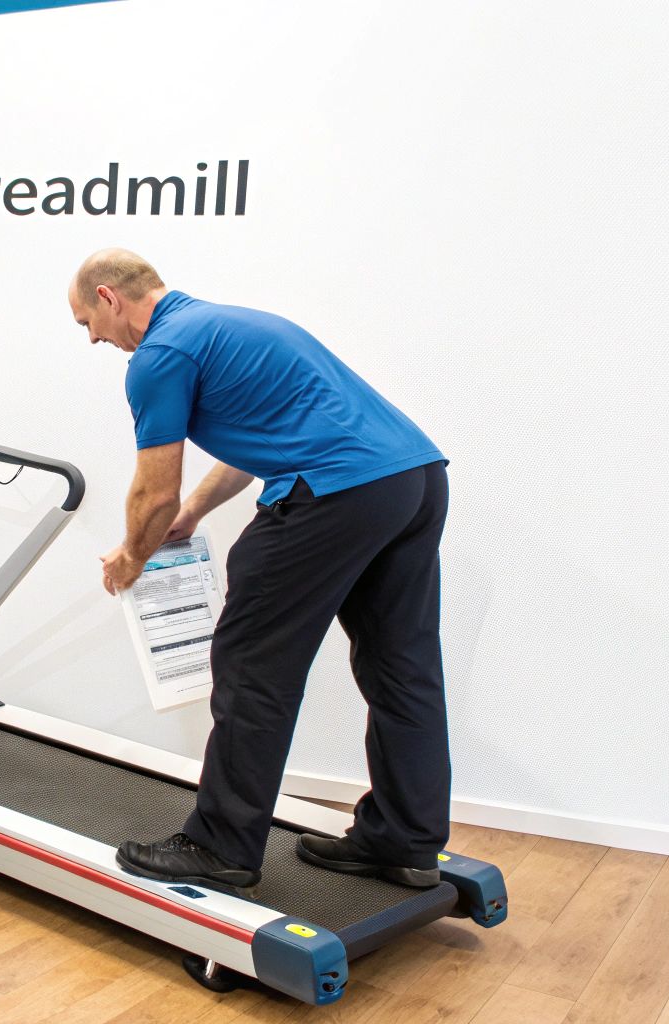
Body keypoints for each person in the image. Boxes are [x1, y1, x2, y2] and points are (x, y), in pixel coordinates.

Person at [71, 248, 451, 895]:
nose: (92, 339)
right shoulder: (229, 326)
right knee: (401, 667)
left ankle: (220, 846)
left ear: (109, 297)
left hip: (335, 489)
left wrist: (133, 555)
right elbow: (253, 447)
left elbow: (152, 490)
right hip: (413, 478)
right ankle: (405, 841)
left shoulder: (160, 356)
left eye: (87, 322)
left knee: (252, 664)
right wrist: (193, 514)